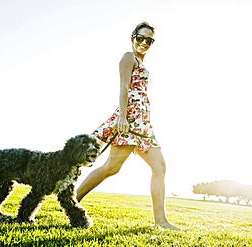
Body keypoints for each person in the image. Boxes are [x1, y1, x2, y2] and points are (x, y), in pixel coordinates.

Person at [76, 22, 180, 230]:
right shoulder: (128, 57)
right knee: (111, 168)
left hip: (144, 125)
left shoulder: (142, 63)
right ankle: (72, 202)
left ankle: (161, 221)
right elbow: (123, 86)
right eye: (140, 38)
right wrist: (122, 118)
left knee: (160, 168)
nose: (143, 43)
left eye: (148, 40)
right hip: (130, 120)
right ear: (132, 38)